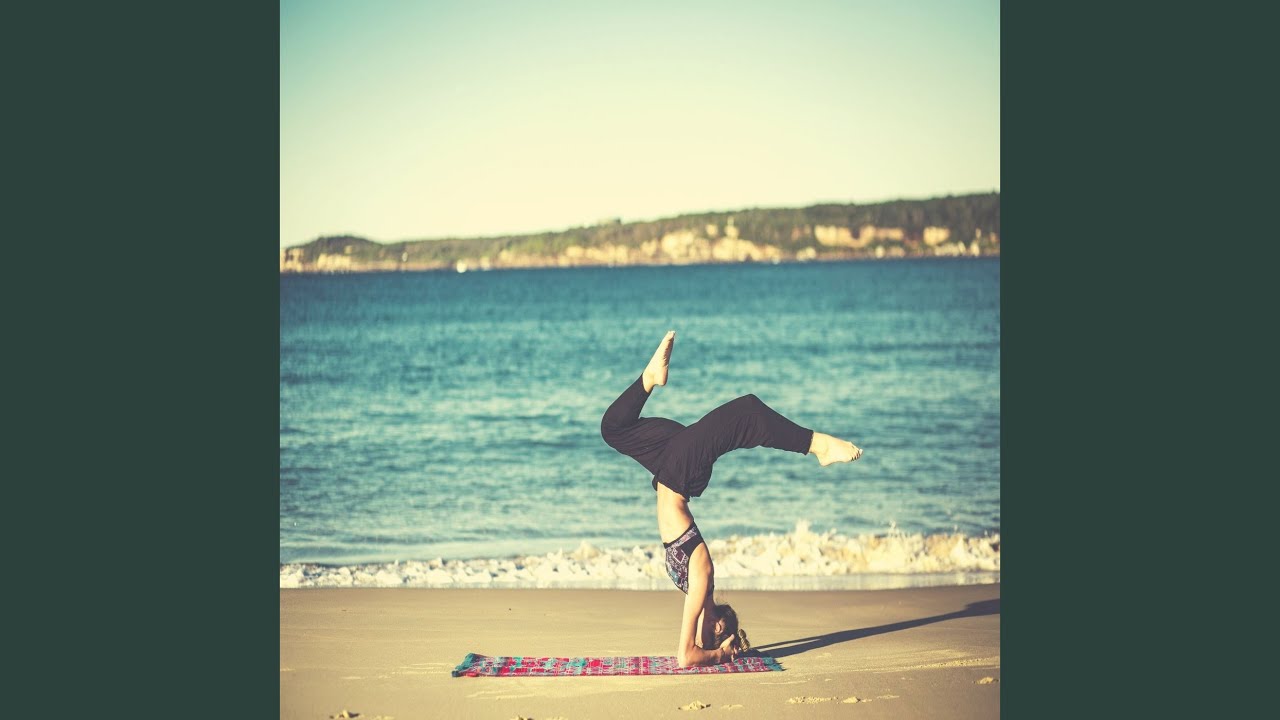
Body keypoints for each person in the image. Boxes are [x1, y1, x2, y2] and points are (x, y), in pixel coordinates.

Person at [600, 330, 862, 667]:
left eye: (715, 637)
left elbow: (685, 657)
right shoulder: (703, 577)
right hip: (680, 473)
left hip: (672, 467)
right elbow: (691, 654)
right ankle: (818, 446)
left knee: (614, 429)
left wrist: (721, 652)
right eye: (719, 632)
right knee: (748, 411)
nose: (709, 633)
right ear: (719, 623)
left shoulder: (695, 587)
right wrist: (724, 650)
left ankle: (650, 379)